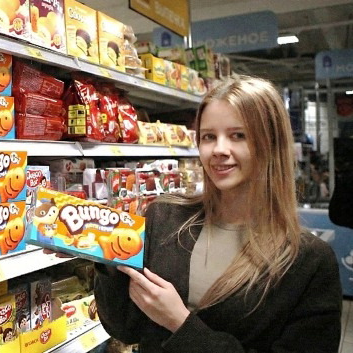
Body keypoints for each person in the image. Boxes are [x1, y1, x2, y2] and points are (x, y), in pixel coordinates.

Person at [94, 75, 342, 352]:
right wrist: (105, 258)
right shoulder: (165, 217)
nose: (219, 150)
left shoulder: (309, 261)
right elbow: (124, 328)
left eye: (238, 135)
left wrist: (180, 323)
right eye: (209, 137)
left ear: (271, 144)